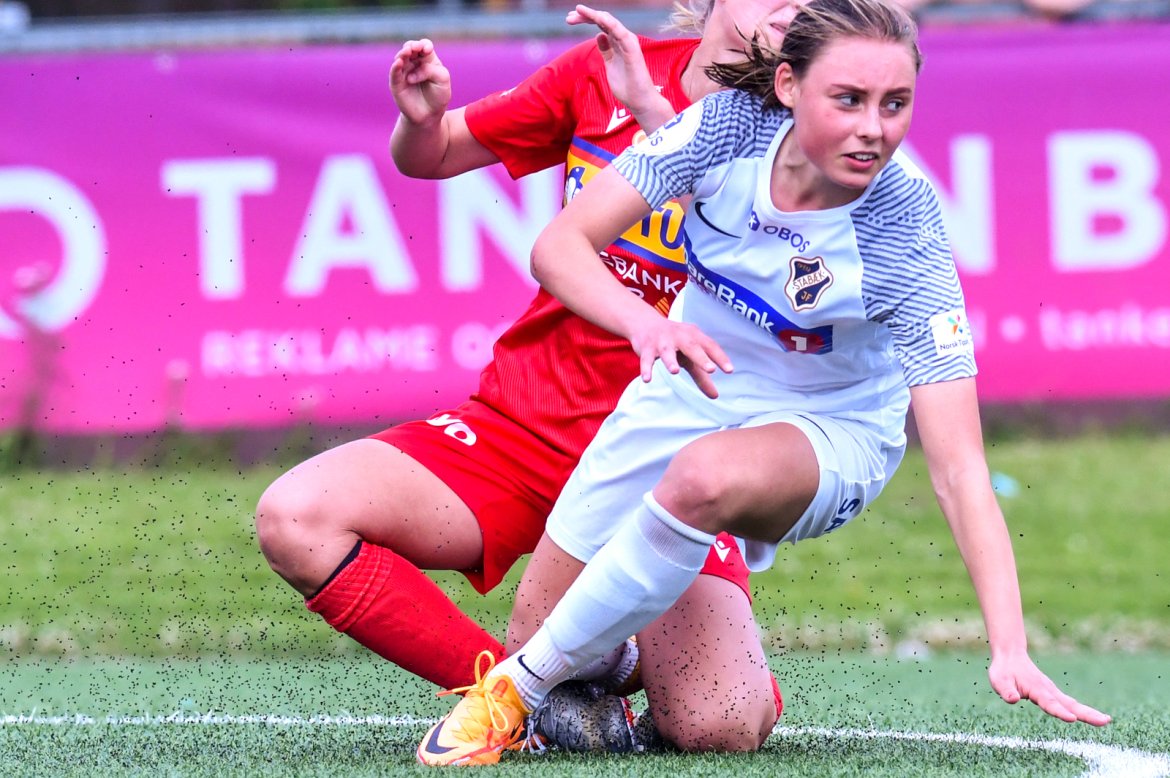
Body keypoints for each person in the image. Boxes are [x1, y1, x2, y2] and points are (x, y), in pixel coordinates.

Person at [416, 0, 1113, 765]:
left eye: (895, 104)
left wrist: (1009, 644)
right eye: (848, 99)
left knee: (700, 479)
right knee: (556, 633)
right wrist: (647, 325)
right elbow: (560, 246)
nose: (873, 128)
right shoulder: (721, 128)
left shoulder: (903, 227)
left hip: (833, 426)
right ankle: (607, 658)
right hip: (693, 385)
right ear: (787, 87)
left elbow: (960, 467)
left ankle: (510, 691)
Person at [255, 0, 804, 754]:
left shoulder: (808, 128)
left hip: (668, 459)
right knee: (296, 517)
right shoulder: (603, 71)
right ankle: (515, 702)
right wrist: (422, 120)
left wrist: (657, 120)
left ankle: (638, 661)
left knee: (720, 724)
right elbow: (434, 155)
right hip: (525, 430)